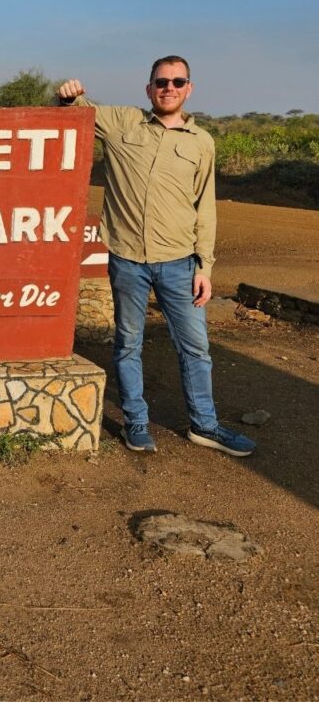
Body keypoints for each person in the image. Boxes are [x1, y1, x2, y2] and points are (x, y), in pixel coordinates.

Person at [58, 56, 255, 457]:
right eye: (161, 81)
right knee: (129, 344)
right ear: (149, 89)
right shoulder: (122, 123)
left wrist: (205, 266)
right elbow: (75, 115)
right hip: (128, 260)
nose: (169, 87)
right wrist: (66, 97)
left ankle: (205, 425)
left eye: (177, 81)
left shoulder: (202, 143)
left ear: (189, 88)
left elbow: (206, 208)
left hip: (180, 263)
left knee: (195, 348)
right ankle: (136, 422)